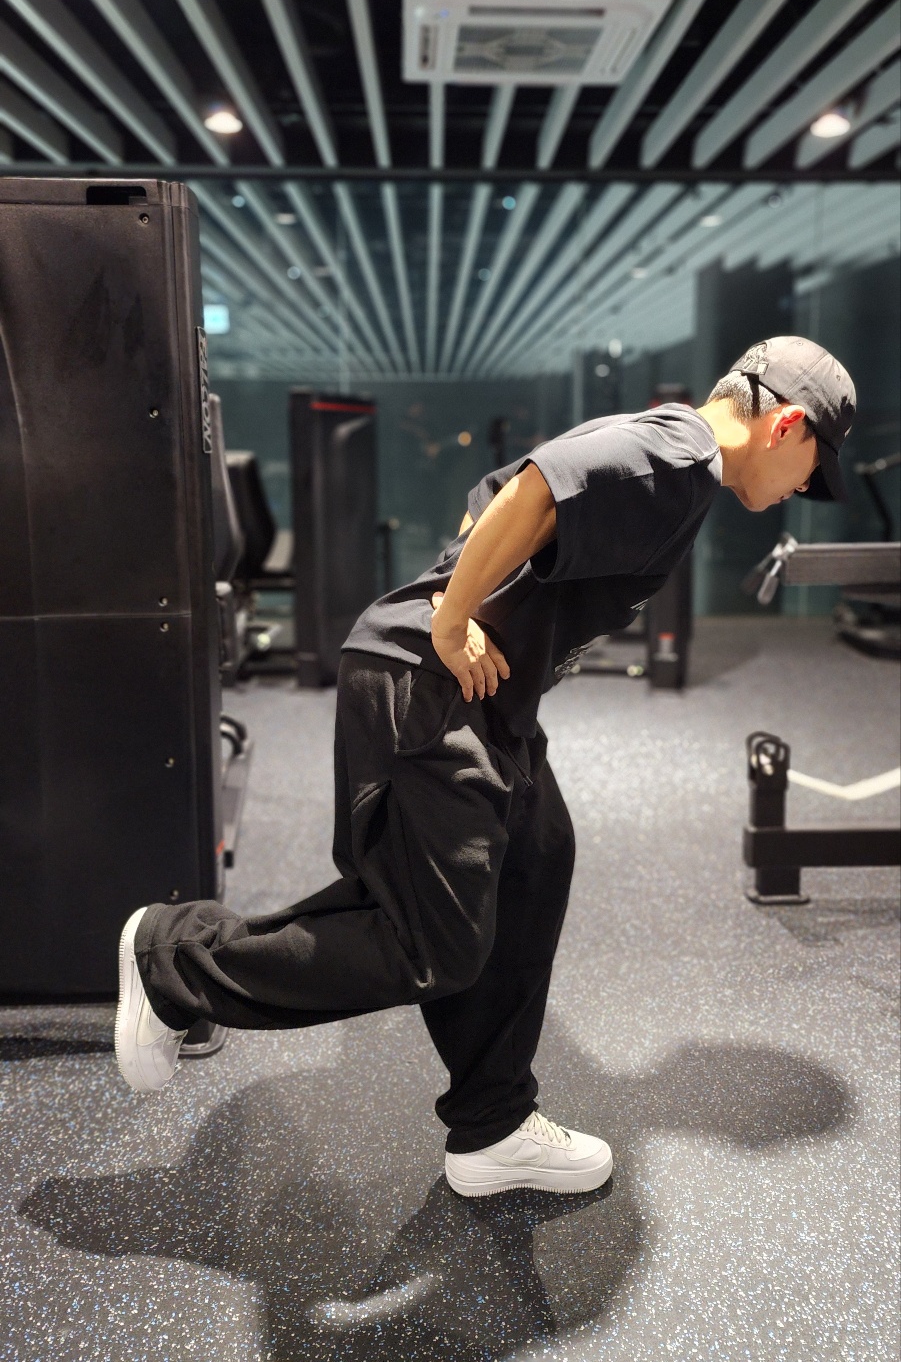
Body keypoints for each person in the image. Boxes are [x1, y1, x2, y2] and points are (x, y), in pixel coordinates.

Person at [114, 336, 855, 1197]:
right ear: (786, 424)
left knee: (535, 865)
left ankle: (492, 1126)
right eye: (812, 469)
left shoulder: (668, 450)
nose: (804, 488)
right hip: (428, 686)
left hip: (487, 701)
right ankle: (172, 961)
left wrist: (470, 600)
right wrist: (451, 615)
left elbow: (494, 497)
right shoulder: (677, 455)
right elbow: (537, 487)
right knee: (430, 945)